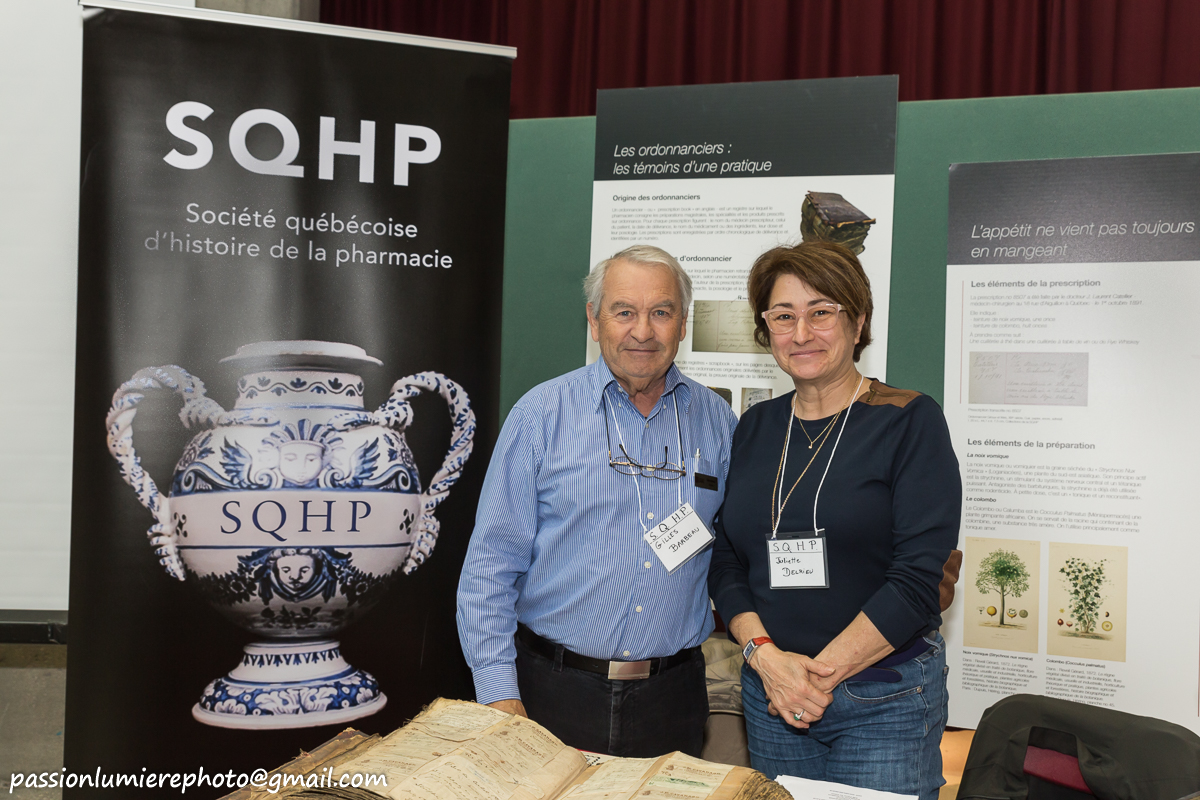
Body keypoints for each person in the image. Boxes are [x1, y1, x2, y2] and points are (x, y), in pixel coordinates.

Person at [457, 244, 738, 757]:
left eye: (661, 312)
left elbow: (731, 552)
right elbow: (489, 567)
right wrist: (498, 694)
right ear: (593, 320)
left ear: (683, 324)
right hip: (551, 691)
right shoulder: (541, 414)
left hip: (673, 700)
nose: (642, 331)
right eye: (623, 312)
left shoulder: (718, 422)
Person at [708, 241, 960, 800]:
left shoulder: (908, 421)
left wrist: (814, 677)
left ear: (858, 320)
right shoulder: (755, 427)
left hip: (884, 698)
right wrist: (766, 659)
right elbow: (726, 560)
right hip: (773, 695)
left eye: (820, 312)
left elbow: (919, 578)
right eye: (783, 316)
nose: (801, 333)